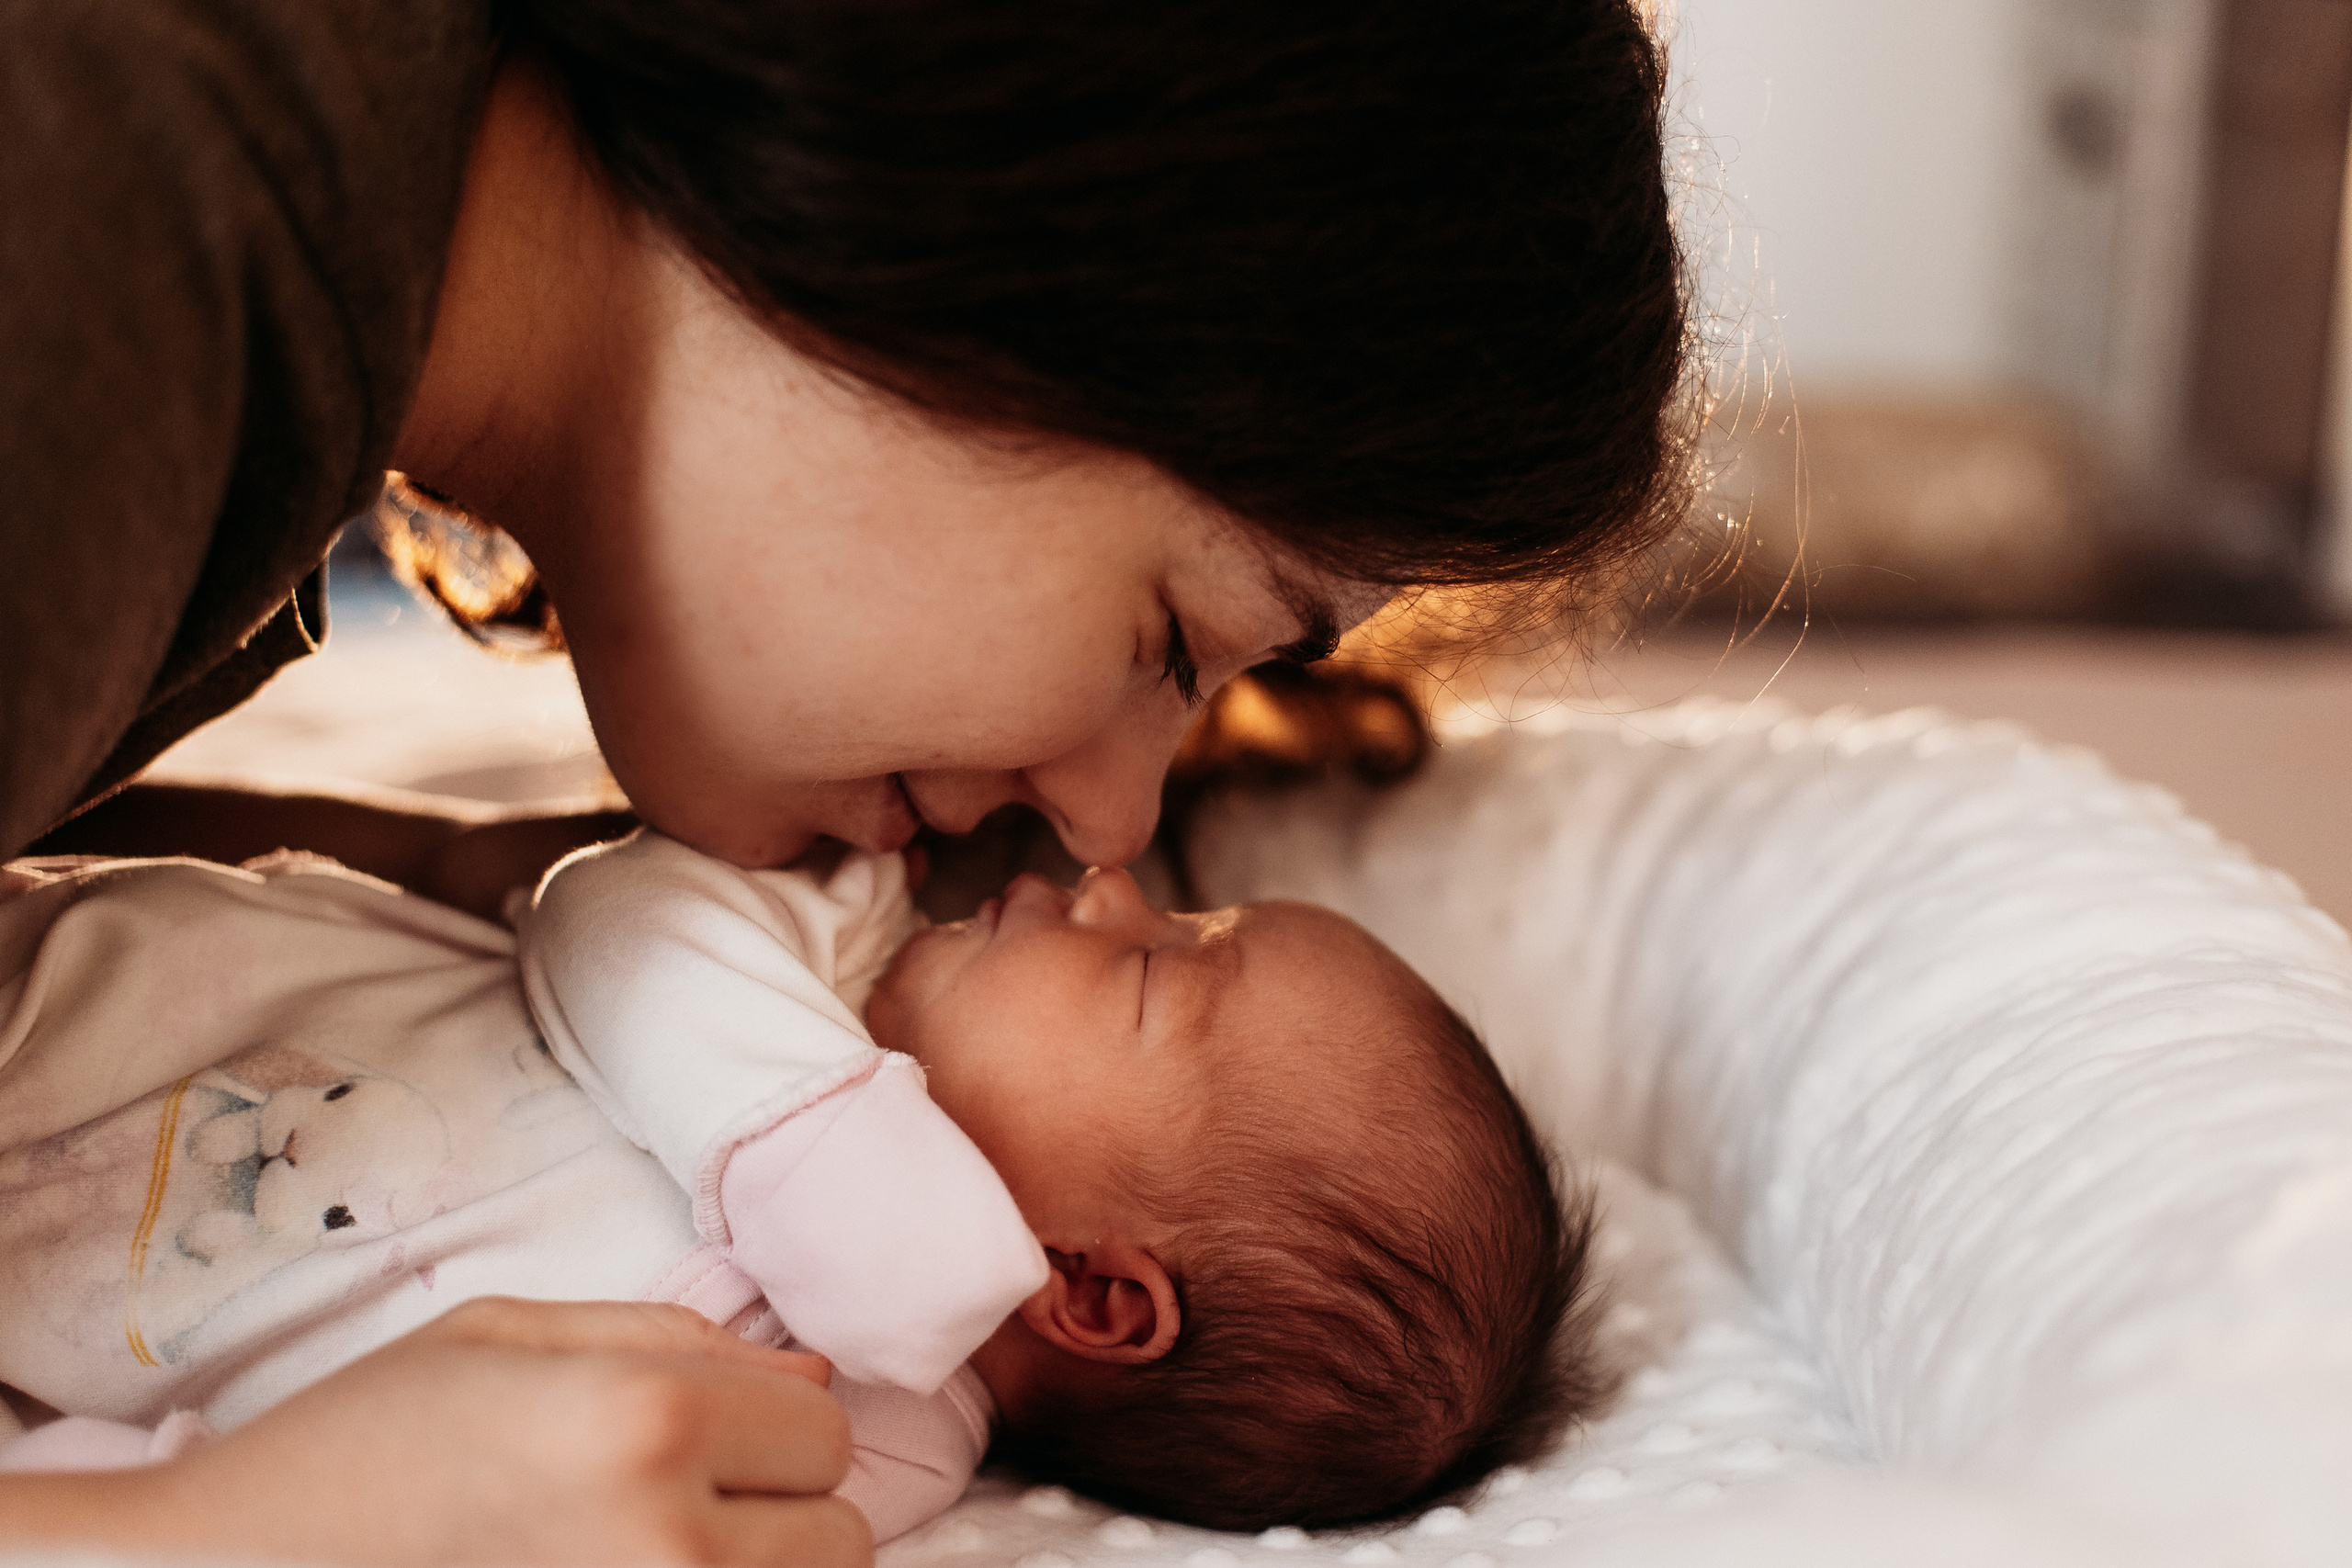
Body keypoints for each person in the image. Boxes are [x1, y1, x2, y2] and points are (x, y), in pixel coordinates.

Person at [1, 0, 1695, 1559]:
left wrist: (453, 877)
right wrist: (235, 1526)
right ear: (994, 228)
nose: (1109, 829)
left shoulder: (255, 325)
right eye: (1177, 641)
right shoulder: (99, 262)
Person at [0, 835, 1590, 1540]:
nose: (1111, 884)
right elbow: (606, 907)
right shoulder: (832, 939)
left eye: (1157, 969)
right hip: (56, 1003)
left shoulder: (876, 1450)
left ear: (1097, 1294)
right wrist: (817, 1143)